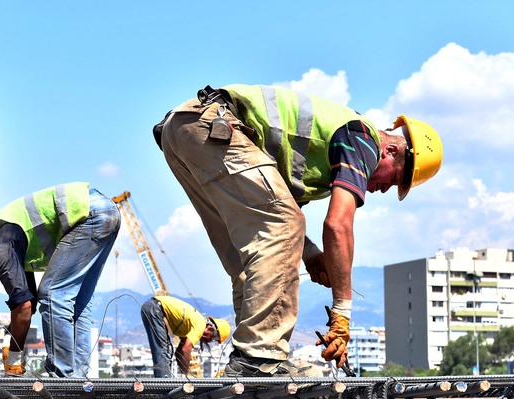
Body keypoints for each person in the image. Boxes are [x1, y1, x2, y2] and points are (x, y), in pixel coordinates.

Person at [155, 84, 443, 377]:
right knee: (283, 225)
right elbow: (337, 224)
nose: (384, 189)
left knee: (247, 252)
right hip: (215, 126)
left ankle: (248, 360)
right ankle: (260, 357)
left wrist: (312, 255)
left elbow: (273, 224)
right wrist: (342, 315)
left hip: (184, 132)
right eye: (394, 180)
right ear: (392, 150)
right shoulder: (364, 139)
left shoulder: (316, 165)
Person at [0, 182, 121, 378]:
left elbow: (24, 308)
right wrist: (11, 336)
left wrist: (13, 356)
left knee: (53, 293)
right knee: (78, 300)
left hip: (88, 216)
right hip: (105, 212)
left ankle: (62, 377)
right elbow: (28, 300)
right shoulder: (3, 237)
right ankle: (79, 376)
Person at [140, 295, 231, 377]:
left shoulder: (191, 326)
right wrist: (186, 377)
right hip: (155, 309)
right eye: (215, 338)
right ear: (210, 329)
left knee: (166, 350)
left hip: (152, 308)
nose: (210, 341)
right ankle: (163, 382)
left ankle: (163, 378)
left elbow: (180, 351)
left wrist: (183, 373)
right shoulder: (200, 325)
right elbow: (186, 349)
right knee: (163, 351)